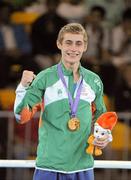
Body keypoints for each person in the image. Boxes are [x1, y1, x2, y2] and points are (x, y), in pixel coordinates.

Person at [14, 23, 111, 180]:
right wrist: (22, 87)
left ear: (85, 46)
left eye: (78, 43)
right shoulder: (44, 78)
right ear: (59, 44)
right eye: (68, 42)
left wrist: (104, 137)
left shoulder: (94, 81)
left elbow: (102, 120)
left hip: (83, 165)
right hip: (49, 165)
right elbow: (21, 117)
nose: (73, 48)